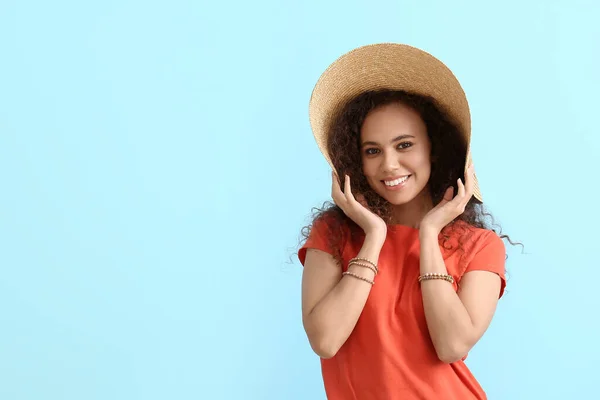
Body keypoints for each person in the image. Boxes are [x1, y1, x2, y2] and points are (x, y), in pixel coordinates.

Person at [297, 43, 519, 399]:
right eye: (372, 151)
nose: (389, 165)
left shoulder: (479, 246)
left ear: (434, 147)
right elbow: (325, 340)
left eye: (404, 145)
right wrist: (374, 236)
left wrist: (429, 234)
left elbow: (451, 346)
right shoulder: (335, 234)